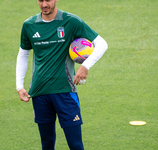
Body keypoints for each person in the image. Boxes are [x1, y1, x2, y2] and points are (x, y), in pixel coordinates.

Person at [16, 0, 108, 149]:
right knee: (47, 144)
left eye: (48, 0)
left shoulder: (70, 21)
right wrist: (19, 86)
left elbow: (102, 44)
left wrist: (85, 66)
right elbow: (23, 53)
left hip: (65, 91)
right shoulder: (29, 25)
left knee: (76, 145)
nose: (44, 4)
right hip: (39, 93)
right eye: (41, 0)